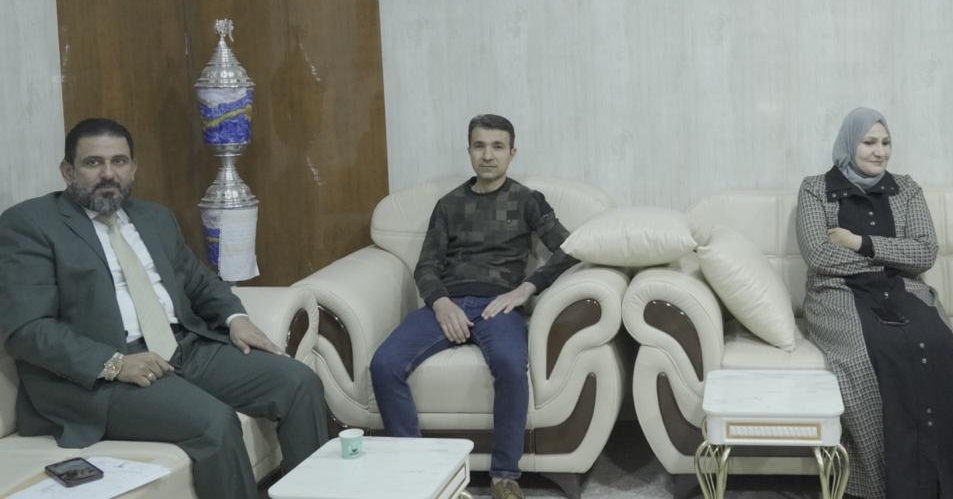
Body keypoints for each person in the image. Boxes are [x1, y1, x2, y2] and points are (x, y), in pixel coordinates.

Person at [0, 118, 326, 499]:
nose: (108, 173)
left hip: (182, 347)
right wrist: (115, 363)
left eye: (119, 161)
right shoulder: (30, 225)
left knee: (299, 383)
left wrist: (236, 318)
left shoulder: (154, 218)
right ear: (68, 171)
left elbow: (199, 280)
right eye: (93, 163)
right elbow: (28, 330)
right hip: (105, 375)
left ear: (133, 168)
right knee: (215, 422)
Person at [370, 114, 578, 499]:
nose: (488, 155)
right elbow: (427, 265)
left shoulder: (527, 200)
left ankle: (504, 476)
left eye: (497, 147)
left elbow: (570, 249)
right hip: (447, 302)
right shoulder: (449, 204)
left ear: (512, 153)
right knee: (384, 363)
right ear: (469, 151)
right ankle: (416, 469)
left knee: (511, 366)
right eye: (479, 146)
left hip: (498, 306)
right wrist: (440, 303)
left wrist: (527, 288)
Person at [797, 108, 953, 499]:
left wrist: (860, 242)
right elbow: (820, 256)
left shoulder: (906, 189)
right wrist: (893, 255)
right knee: (866, 359)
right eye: (869, 142)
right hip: (837, 293)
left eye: (886, 142)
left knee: (940, 348)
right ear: (849, 144)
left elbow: (924, 253)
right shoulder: (815, 189)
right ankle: (884, 483)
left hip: (902, 288)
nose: (880, 152)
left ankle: (950, 481)